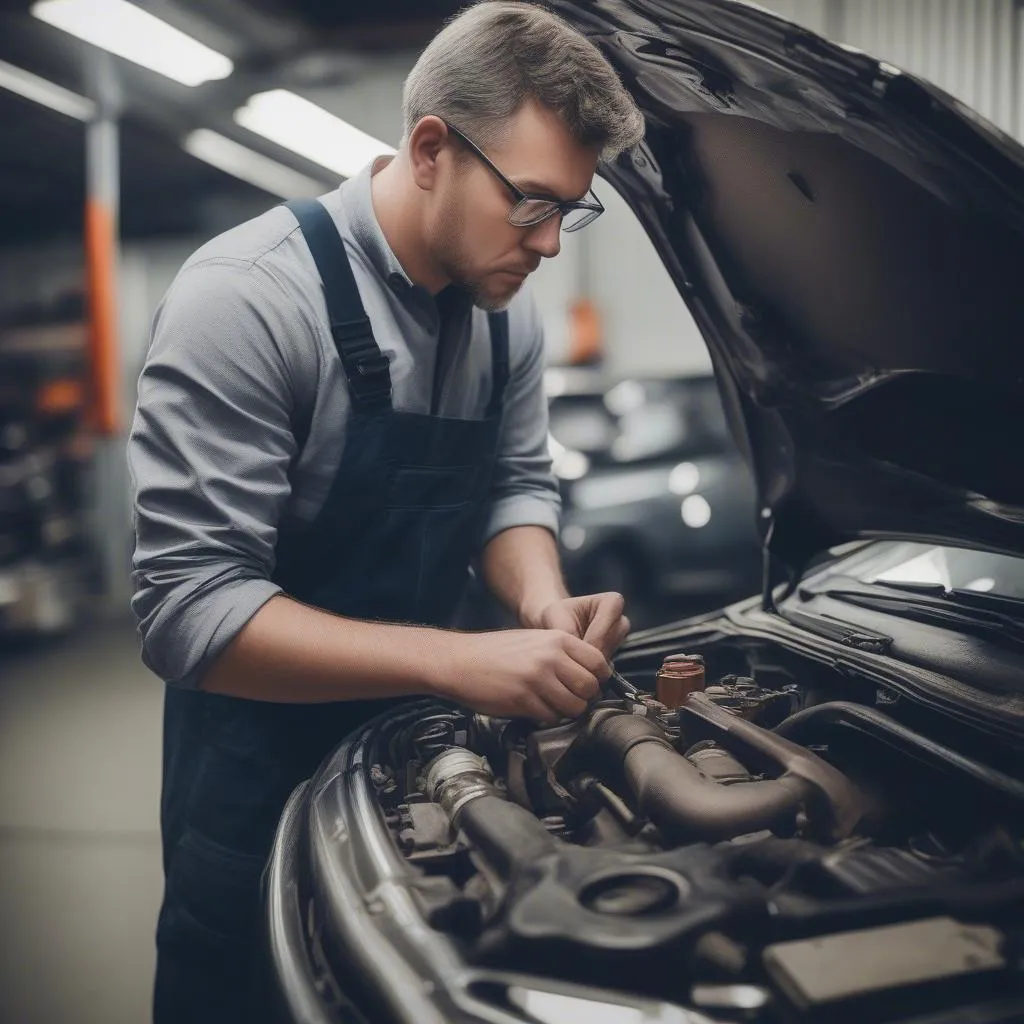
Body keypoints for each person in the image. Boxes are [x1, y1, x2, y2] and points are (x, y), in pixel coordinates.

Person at [128, 2, 645, 1020]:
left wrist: (540, 604)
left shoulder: (505, 316)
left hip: (421, 771)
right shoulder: (248, 297)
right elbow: (189, 607)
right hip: (250, 787)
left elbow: (514, 483)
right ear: (428, 149)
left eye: (568, 213)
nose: (546, 244)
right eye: (531, 204)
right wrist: (458, 659)